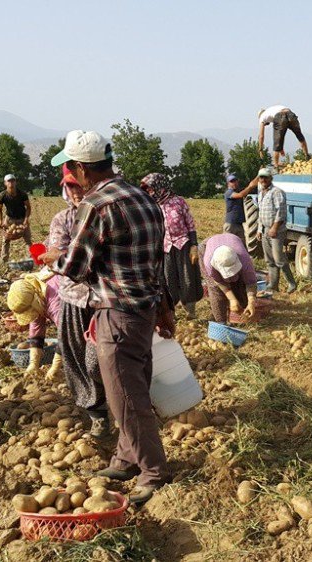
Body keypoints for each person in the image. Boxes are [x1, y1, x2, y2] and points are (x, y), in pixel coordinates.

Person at [39, 130, 174, 504]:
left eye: (70, 167)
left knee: (126, 397)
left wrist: (53, 258)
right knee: (133, 388)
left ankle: (153, 470)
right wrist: (164, 306)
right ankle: (126, 458)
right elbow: (155, 261)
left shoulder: (96, 205)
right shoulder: (143, 198)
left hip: (117, 312)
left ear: (80, 168)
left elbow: (76, 267)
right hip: (144, 309)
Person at [46, 169, 107, 436]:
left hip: (103, 296)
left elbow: (66, 256)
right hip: (72, 297)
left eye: (77, 185)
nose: (75, 192)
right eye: (69, 187)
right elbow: (57, 257)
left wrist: (69, 256)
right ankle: (96, 412)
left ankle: (117, 400)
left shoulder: (102, 213)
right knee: (75, 355)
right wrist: (71, 257)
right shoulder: (62, 219)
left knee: (100, 358)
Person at [140, 173, 203, 316]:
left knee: (187, 278)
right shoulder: (153, 205)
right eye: (147, 190)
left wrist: (194, 244)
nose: (149, 192)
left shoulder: (179, 201)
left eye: (151, 188)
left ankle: (190, 312)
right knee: (168, 280)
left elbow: (190, 224)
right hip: (165, 247)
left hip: (183, 244)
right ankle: (170, 311)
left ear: (160, 186)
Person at [6, 271, 64, 379]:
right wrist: (33, 363)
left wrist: (55, 365)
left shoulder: (55, 304)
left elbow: (68, 334)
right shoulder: (35, 290)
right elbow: (36, 330)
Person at [255, 168, 297, 293]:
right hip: (264, 230)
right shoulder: (261, 193)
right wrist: (259, 229)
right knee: (269, 260)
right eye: (261, 177)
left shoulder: (277, 192)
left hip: (277, 230)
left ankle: (292, 283)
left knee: (279, 258)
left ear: (270, 178)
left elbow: (281, 212)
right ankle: (273, 285)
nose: (263, 180)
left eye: (265, 177)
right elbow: (260, 213)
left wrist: (274, 227)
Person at [200, 233, 257, 324]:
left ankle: (243, 310)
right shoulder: (209, 263)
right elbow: (218, 282)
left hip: (234, 240)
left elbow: (251, 282)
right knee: (215, 289)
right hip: (208, 246)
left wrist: (251, 302)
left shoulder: (244, 260)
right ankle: (221, 322)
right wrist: (232, 299)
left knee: (240, 282)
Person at [0, 173, 33, 262]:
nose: (11, 183)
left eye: (13, 181)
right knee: (6, 239)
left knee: (28, 240)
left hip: (22, 218)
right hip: (9, 219)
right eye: (9, 181)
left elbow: (28, 207)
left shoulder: (22, 194)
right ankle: (4, 260)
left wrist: (26, 219)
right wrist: (0, 221)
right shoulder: (3, 195)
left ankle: (31, 260)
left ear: (16, 182)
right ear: (5, 183)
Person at [223, 174, 256, 242]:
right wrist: (250, 187)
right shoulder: (228, 192)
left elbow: (250, 187)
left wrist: (258, 176)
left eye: (235, 181)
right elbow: (241, 195)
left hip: (239, 224)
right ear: (228, 184)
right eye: (232, 181)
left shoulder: (238, 191)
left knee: (241, 245)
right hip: (231, 224)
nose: (234, 183)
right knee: (228, 244)